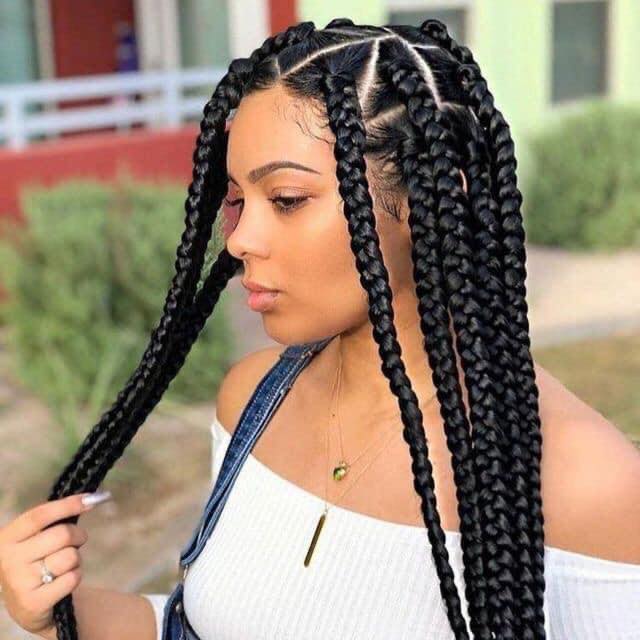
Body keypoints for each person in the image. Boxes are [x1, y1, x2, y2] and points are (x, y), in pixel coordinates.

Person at [1, 17, 639, 640]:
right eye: (237, 200)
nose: (241, 239)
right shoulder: (251, 400)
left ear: (429, 198)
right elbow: (205, 624)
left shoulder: (587, 486)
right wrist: (62, 612)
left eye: (286, 199)